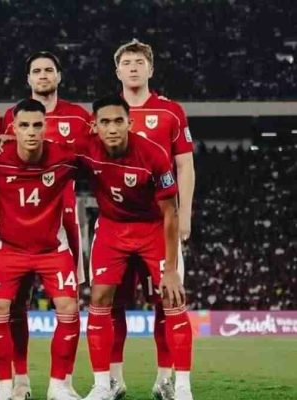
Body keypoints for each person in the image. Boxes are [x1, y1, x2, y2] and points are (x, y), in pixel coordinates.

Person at [80, 95, 193, 400]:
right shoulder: (85, 147)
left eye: (119, 121)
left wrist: (171, 269)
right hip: (112, 228)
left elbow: (170, 212)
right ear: (94, 126)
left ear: (130, 123)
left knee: (172, 299)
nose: (112, 128)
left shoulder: (153, 154)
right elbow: (44, 150)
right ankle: (104, 384)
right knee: (100, 298)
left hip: (152, 228)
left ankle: (182, 387)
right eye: (105, 122)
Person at [0, 51, 90, 399]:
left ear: (59, 76)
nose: (43, 75)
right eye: (36, 70)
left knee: (70, 306)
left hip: (61, 225)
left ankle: (60, 384)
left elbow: (94, 159)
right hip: (14, 233)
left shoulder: (78, 117)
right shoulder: (9, 120)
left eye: (49, 70)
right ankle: (15, 382)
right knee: (11, 307)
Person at [109, 39, 195, 400]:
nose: (133, 67)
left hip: (161, 223)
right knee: (112, 303)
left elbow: (185, 165)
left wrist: (185, 214)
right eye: (127, 62)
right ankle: (113, 380)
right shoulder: (106, 112)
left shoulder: (171, 112)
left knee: (168, 301)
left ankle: (165, 380)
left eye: (139, 62)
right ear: (117, 71)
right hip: (116, 225)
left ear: (151, 69)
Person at [0, 99, 81, 400]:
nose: (31, 131)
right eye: (24, 125)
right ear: (13, 128)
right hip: (8, 249)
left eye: (37, 125)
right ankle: (6, 386)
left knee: (69, 308)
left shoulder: (64, 158)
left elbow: (100, 158)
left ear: (46, 126)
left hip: (52, 249)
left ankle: (58, 386)